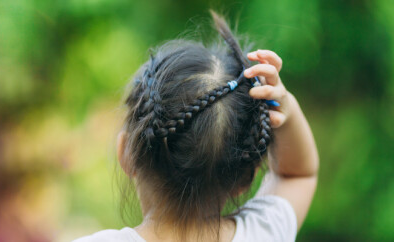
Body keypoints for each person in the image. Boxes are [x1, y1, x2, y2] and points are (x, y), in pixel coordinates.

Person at [74, 11, 319, 242]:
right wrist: (286, 106)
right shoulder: (263, 232)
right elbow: (297, 174)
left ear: (126, 152)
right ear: (246, 179)